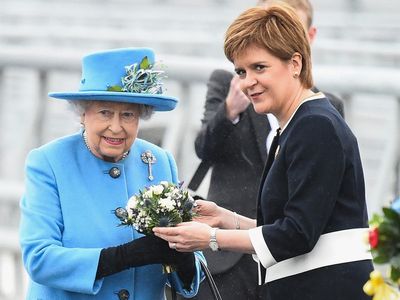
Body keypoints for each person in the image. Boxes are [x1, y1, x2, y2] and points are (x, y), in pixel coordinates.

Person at [154, 4, 373, 300]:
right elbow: (295, 224)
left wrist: (212, 239)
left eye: (260, 67)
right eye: (241, 71)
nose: (248, 82)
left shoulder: (315, 125)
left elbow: (297, 234)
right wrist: (224, 217)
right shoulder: (299, 122)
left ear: (295, 63)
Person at [19, 47, 204, 300]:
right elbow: (39, 258)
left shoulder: (160, 161)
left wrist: (185, 258)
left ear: (141, 116)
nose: (116, 127)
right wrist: (121, 257)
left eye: (128, 114)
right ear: (83, 113)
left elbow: (187, 268)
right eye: (105, 112)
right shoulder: (49, 162)